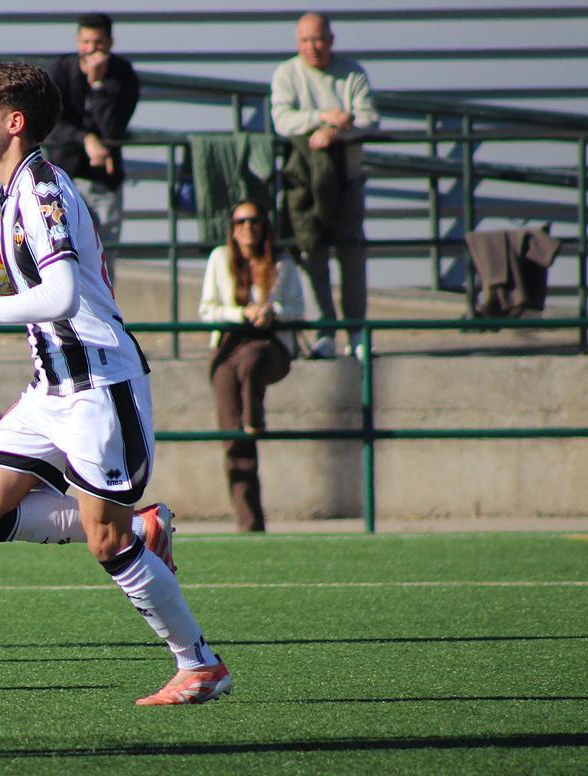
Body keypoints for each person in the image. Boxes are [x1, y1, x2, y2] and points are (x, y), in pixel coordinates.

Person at [0, 62, 230, 706]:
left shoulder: (39, 189)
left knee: (106, 543)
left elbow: (64, 295)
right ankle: (140, 526)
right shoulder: (18, 191)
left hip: (98, 385)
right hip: (50, 388)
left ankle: (198, 663)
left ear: (14, 122)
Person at [271, 12, 379, 359]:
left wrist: (336, 133)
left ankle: (357, 332)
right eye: (305, 40)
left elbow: (368, 118)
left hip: (347, 181)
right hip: (303, 185)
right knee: (312, 254)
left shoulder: (352, 72)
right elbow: (282, 120)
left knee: (352, 256)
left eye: (318, 39)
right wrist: (322, 117)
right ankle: (325, 332)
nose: (312, 47)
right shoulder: (287, 73)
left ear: (331, 39)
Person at [199, 200, 304, 532]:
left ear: (264, 226)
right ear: (232, 229)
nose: (247, 227)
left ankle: (254, 417)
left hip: (269, 344)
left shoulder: (283, 262)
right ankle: (249, 521)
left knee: (252, 359)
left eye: (254, 221)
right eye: (240, 222)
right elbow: (207, 310)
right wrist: (241, 314)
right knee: (233, 438)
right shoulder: (220, 258)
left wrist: (272, 311)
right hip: (228, 344)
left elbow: (298, 309)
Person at [45, 12, 139, 283]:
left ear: (109, 43)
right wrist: (86, 139)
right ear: (78, 42)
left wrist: (98, 85)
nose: (91, 49)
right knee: (63, 253)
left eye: (98, 43)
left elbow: (113, 129)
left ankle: (103, 308)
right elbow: (52, 123)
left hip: (104, 181)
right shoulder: (60, 71)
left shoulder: (123, 75)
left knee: (104, 259)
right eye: (85, 42)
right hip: (64, 178)